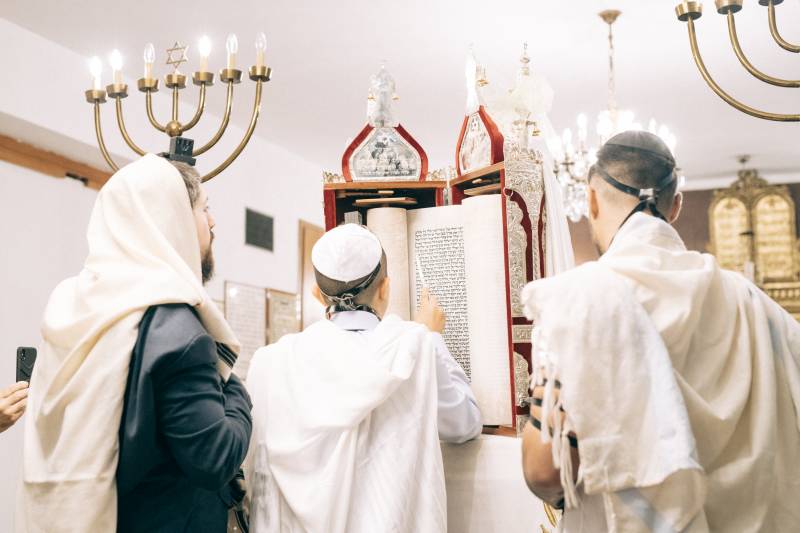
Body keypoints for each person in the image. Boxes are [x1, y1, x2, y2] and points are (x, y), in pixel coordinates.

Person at [520, 131, 800, 532]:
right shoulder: (753, 303)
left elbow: (545, 471)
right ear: (677, 205)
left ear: (593, 200)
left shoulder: (581, 300)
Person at [17, 154, 251, 533]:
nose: (212, 222)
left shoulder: (73, 304)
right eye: (204, 208)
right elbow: (215, 458)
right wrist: (237, 392)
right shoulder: (178, 330)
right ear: (172, 219)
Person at [245, 223, 482, 533]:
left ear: (317, 295)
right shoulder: (413, 348)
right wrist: (433, 338)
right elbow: (465, 423)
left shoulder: (274, 361)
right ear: (385, 288)